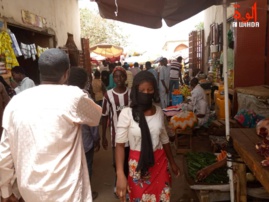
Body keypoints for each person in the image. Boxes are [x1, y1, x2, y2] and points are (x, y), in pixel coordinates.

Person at [0, 48, 102, 202]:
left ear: (39, 71)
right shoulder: (73, 97)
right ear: (67, 73)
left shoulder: (16, 102)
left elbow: (4, 154)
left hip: (30, 192)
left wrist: (6, 190)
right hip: (68, 192)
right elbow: (96, 117)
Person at [115, 71, 180, 202]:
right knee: (139, 198)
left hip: (160, 163)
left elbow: (164, 139)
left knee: (162, 198)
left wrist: (172, 162)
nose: (146, 93)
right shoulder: (127, 114)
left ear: (154, 91)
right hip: (137, 165)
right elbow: (120, 146)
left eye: (149, 90)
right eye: (142, 90)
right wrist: (120, 174)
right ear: (135, 91)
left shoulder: (159, 112)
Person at [68, 67, 101, 200]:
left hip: (70, 144)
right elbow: (93, 123)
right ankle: (86, 194)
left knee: (73, 170)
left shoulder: (64, 96)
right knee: (86, 169)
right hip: (86, 142)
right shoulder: (84, 97)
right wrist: (96, 139)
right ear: (84, 82)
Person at [101, 66, 131, 197]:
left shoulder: (130, 93)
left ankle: (129, 185)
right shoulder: (108, 95)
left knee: (130, 162)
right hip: (116, 136)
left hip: (131, 136)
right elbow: (105, 116)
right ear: (114, 78)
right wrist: (103, 136)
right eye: (116, 76)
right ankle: (118, 183)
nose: (119, 79)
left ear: (125, 77)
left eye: (122, 76)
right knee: (117, 163)